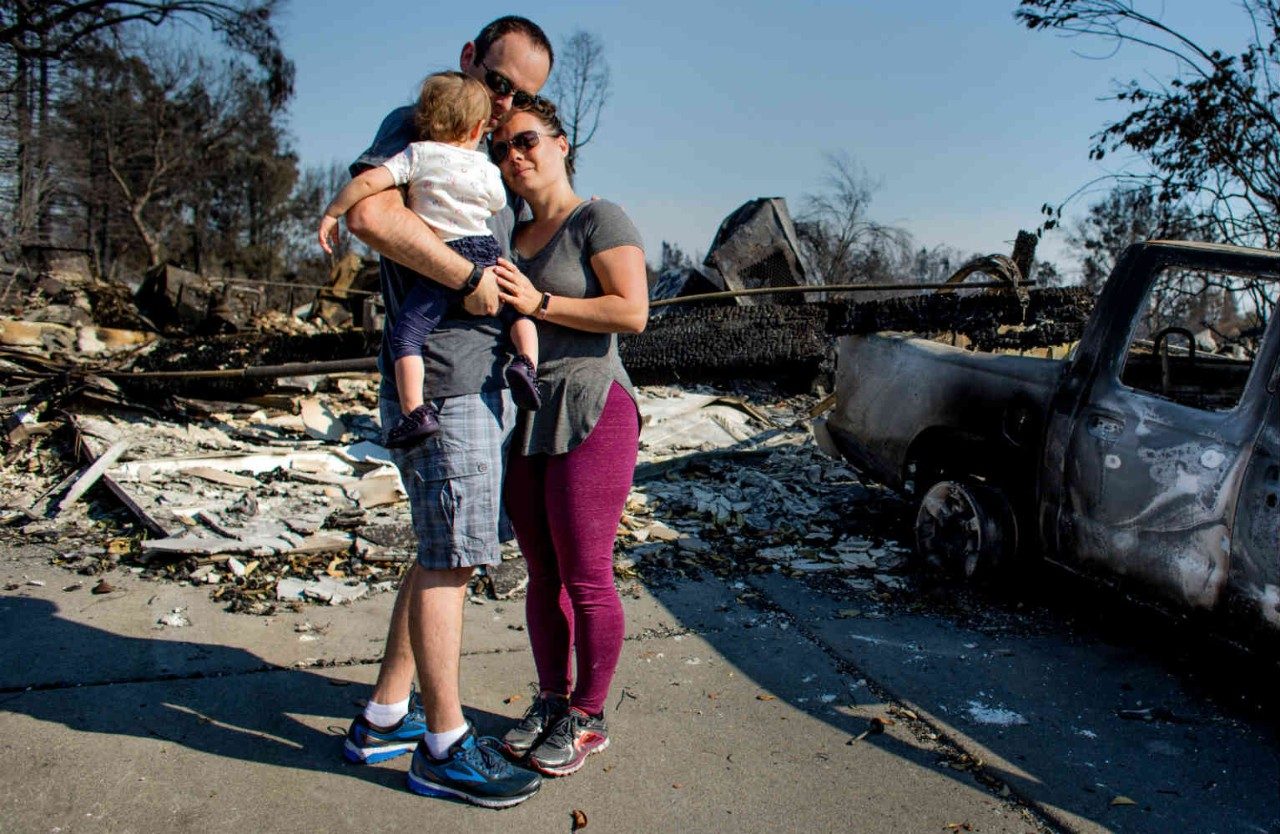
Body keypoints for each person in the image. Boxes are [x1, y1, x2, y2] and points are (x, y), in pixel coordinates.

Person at [337, 16, 553, 809]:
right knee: (451, 559)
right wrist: (465, 281)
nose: (503, 104)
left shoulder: (484, 149)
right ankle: (444, 746)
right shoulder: (419, 125)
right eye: (498, 83)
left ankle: (386, 715)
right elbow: (371, 217)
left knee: (441, 548)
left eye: (524, 95)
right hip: (444, 381)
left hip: (481, 379)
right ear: (469, 60)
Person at [488, 98, 649, 776]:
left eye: (525, 140)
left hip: (592, 403)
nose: (513, 156)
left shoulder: (598, 219)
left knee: (586, 575)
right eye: (500, 149)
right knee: (540, 571)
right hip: (525, 411)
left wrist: (539, 302)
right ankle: (553, 699)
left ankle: (589, 714)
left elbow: (632, 312)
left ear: (561, 142)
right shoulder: (505, 232)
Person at [318, 71, 541, 448]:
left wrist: (331, 212)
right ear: (476, 130)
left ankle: (415, 411)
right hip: (485, 252)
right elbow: (496, 204)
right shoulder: (487, 167)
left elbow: (368, 184)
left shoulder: (417, 154)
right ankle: (526, 363)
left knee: (406, 337)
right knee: (518, 312)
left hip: (443, 261)